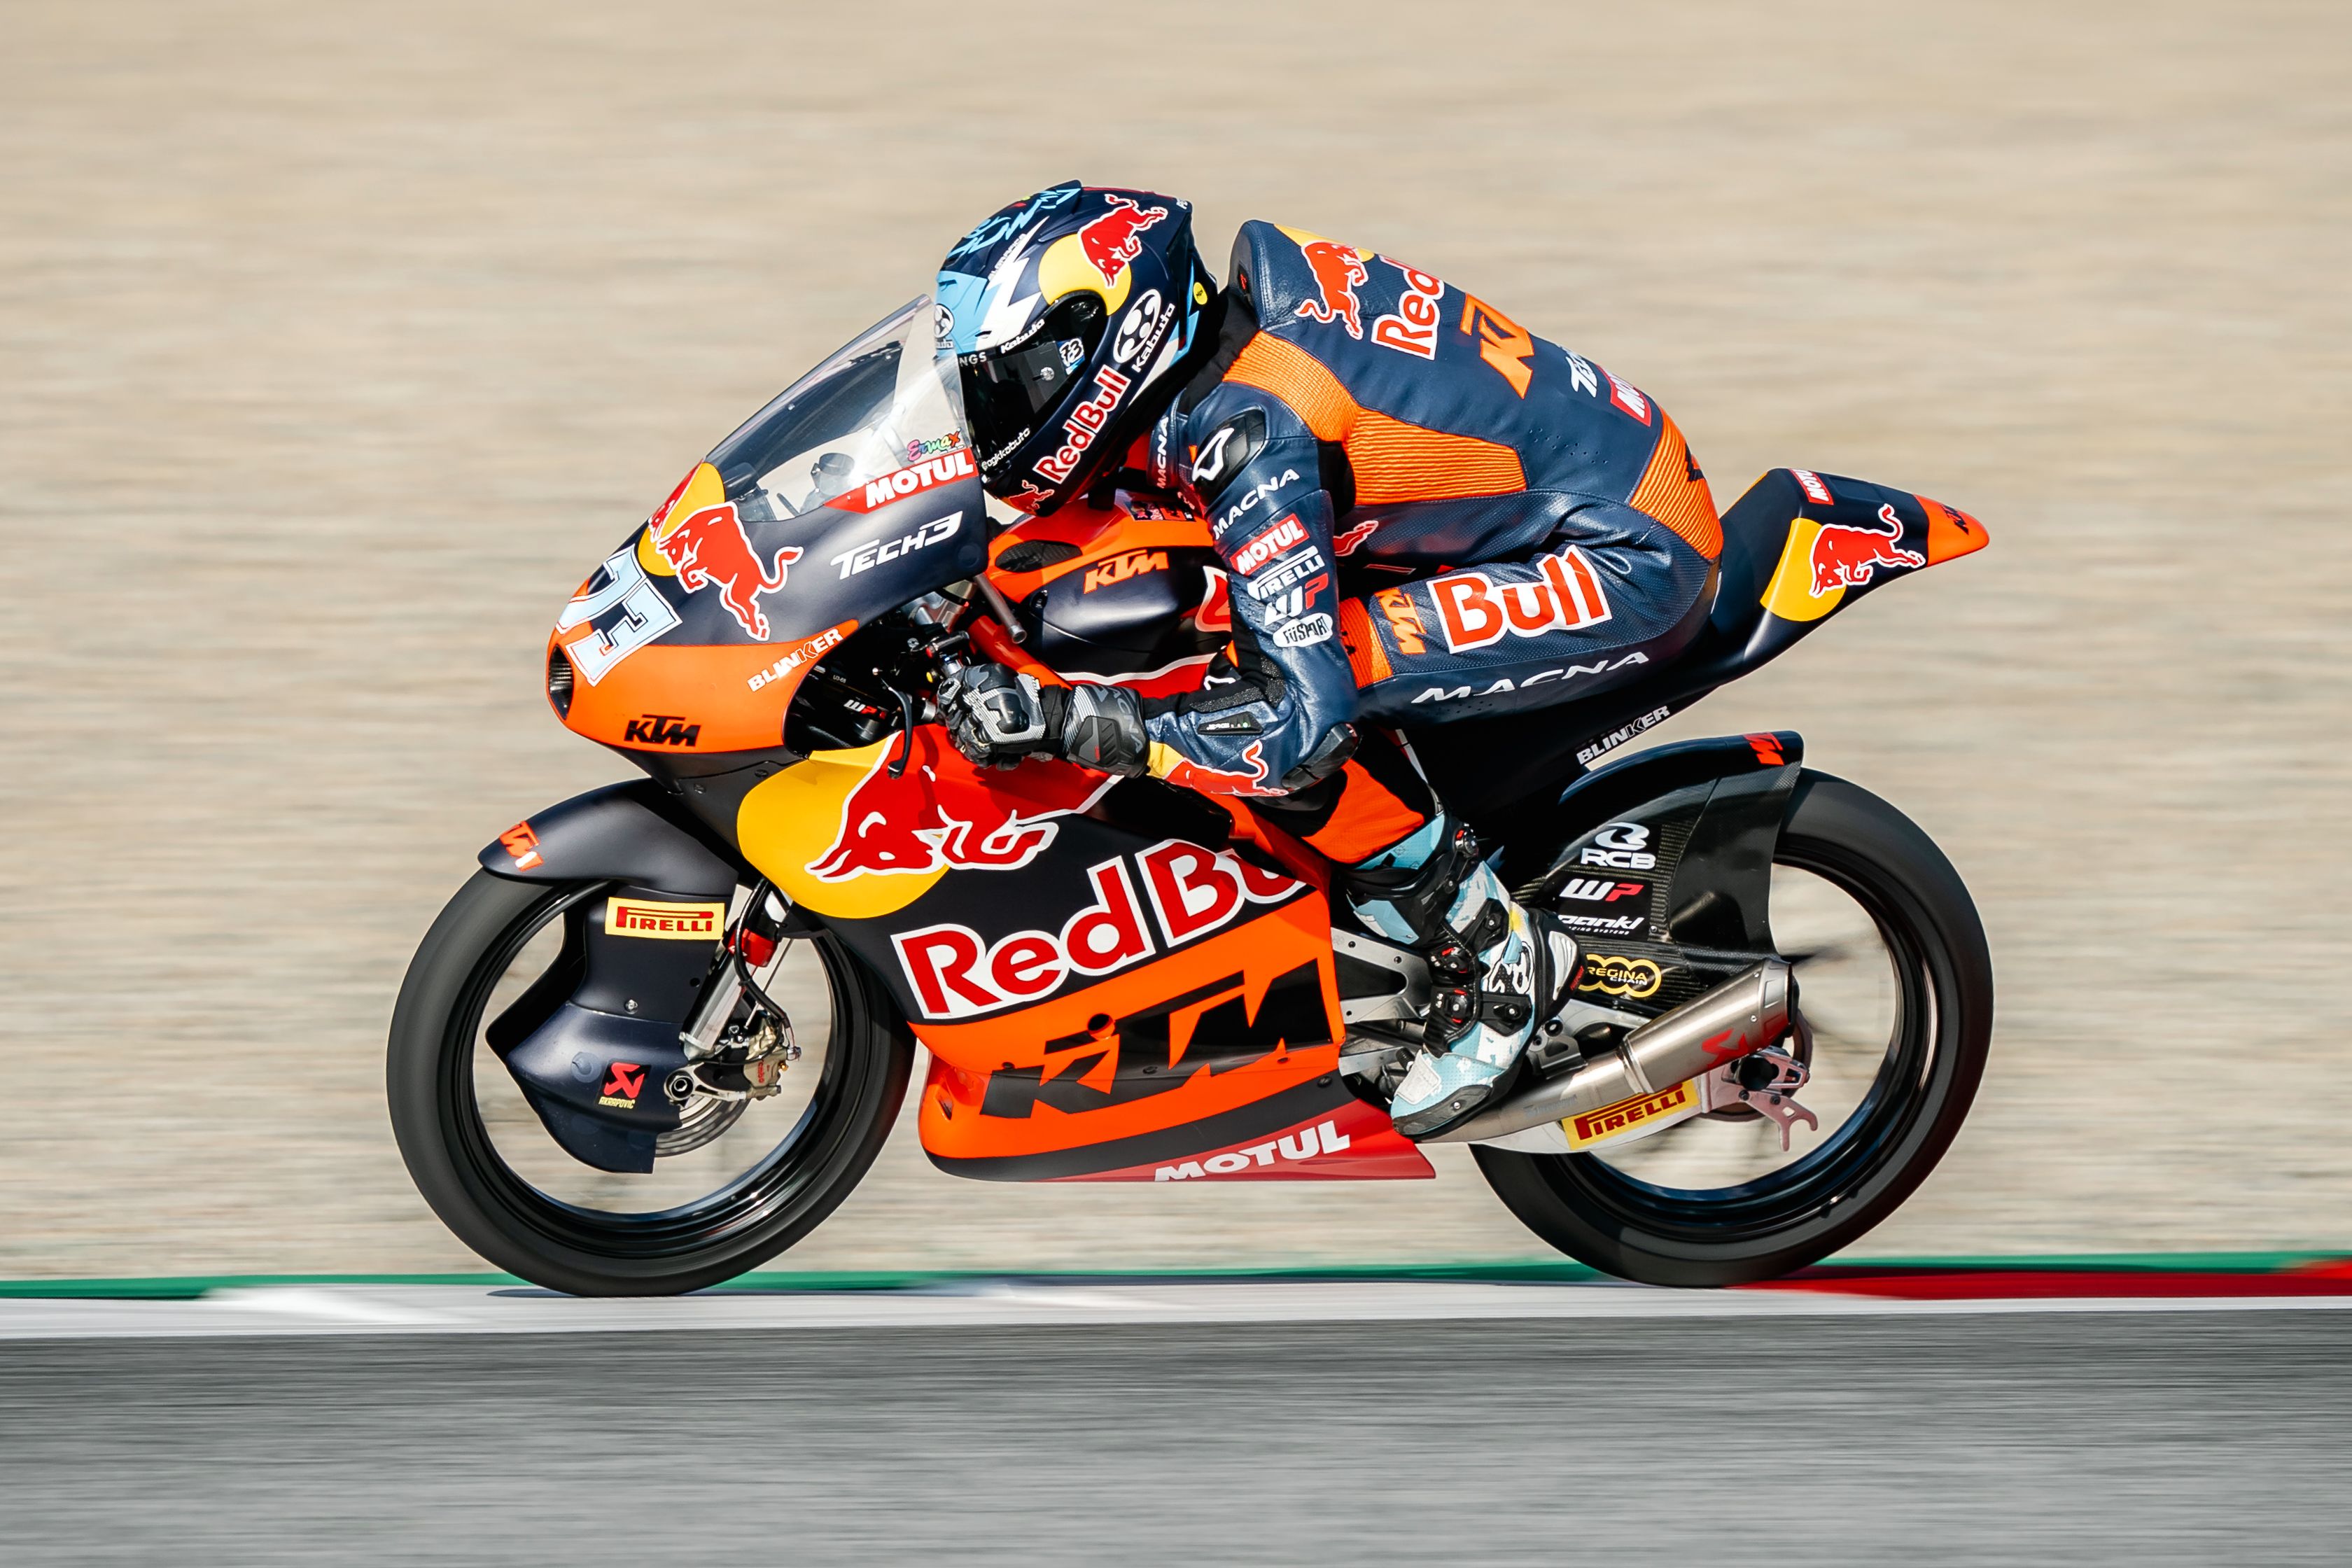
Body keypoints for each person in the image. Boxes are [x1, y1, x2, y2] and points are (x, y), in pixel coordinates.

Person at [931, 183, 1721, 1138]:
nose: (991, 413)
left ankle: (1494, 952)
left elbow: (1291, 727)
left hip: (1623, 554)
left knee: (1280, 699)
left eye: (1008, 384)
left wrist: (1076, 721)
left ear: (1109, 346)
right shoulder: (1212, 352)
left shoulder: (1253, 432)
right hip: (1569, 486)